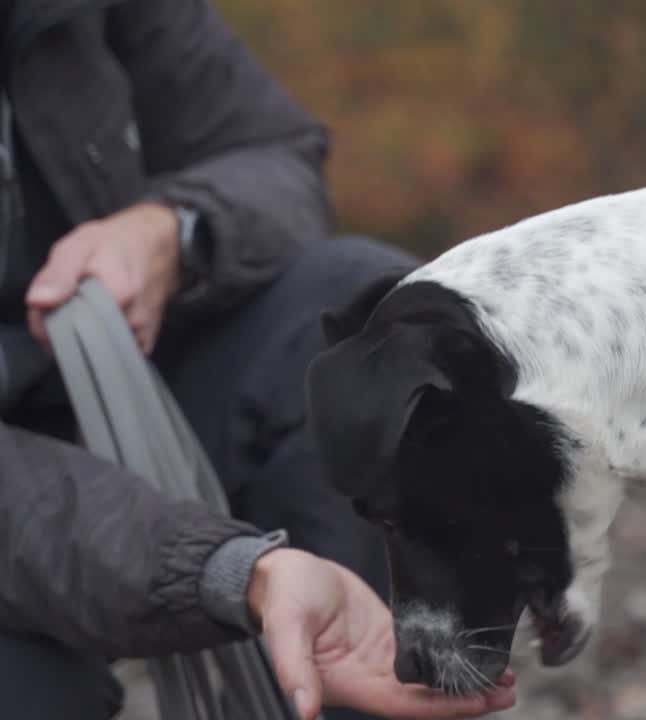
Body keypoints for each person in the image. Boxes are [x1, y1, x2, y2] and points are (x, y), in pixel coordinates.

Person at [0, 0, 508, 718]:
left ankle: (336, 692)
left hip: (116, 390)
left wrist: (170, 231)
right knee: (36, 695)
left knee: (372, 321)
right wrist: (237, 571)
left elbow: (278, 152)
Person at [0, 420, 516, 719]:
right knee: (52, 692)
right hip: (34, 490)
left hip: (121, 365)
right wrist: (238, 570)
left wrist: (178, 234)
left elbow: (299, 226)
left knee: (358, 300)